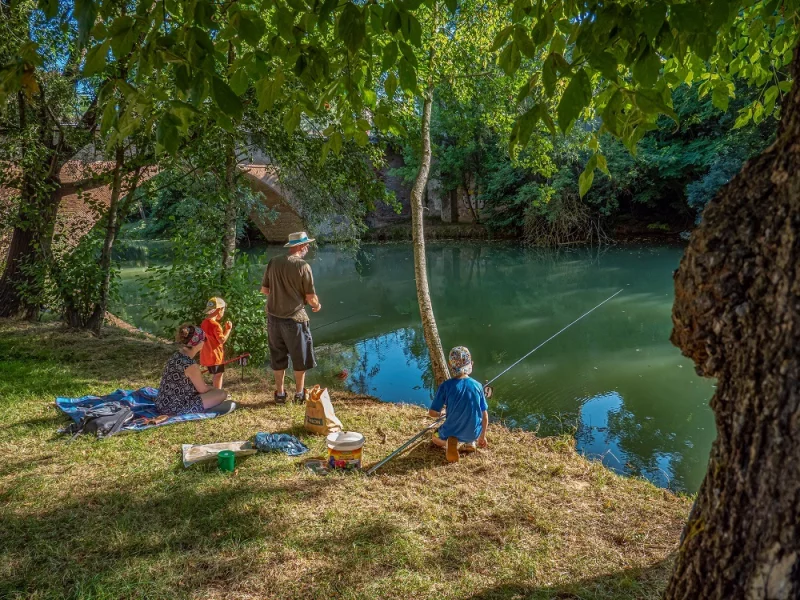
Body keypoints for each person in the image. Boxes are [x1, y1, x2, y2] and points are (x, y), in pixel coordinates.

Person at [261, 231, 322, 403]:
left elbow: (265, 290)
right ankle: (299, 394)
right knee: (300, 357)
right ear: (301, 246)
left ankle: (280, 394)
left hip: (273, 319)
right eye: (306, 244)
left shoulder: (273, 262)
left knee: (277, 356)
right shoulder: (303, 266)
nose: (308, 247)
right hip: (295, 320)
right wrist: (317, 305)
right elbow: (311, 298)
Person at [429, 346, 489, 463]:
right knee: (469, 431)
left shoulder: (446, 386)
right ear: (471, 363)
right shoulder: (477, 385)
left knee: (434, 437)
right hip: (474, 433)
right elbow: (485, 415)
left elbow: (432, 413)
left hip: (451, 431)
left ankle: (449, 443)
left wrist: (440, 413)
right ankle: (470, 442)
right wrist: (482, 436)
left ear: (450, 366)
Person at [155, 324, 228, 415]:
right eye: (204, 339)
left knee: (214, 392)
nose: (205, 342)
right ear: (197, 343)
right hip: (174, 409)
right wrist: (214, 389)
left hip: (161, 404)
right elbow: (203, 390)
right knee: (221, 394)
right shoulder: (190, 365)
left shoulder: (176, 355)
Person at [200, 296, 233, 389]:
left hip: (206, 354)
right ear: (220, 310)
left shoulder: (204, 323)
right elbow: (221, 340)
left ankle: (213, 391)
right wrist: (228, 330)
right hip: (215, 356)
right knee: (218, 374)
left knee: (215, 374)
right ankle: (217, 393)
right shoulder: (216, 325)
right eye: (223, 310)